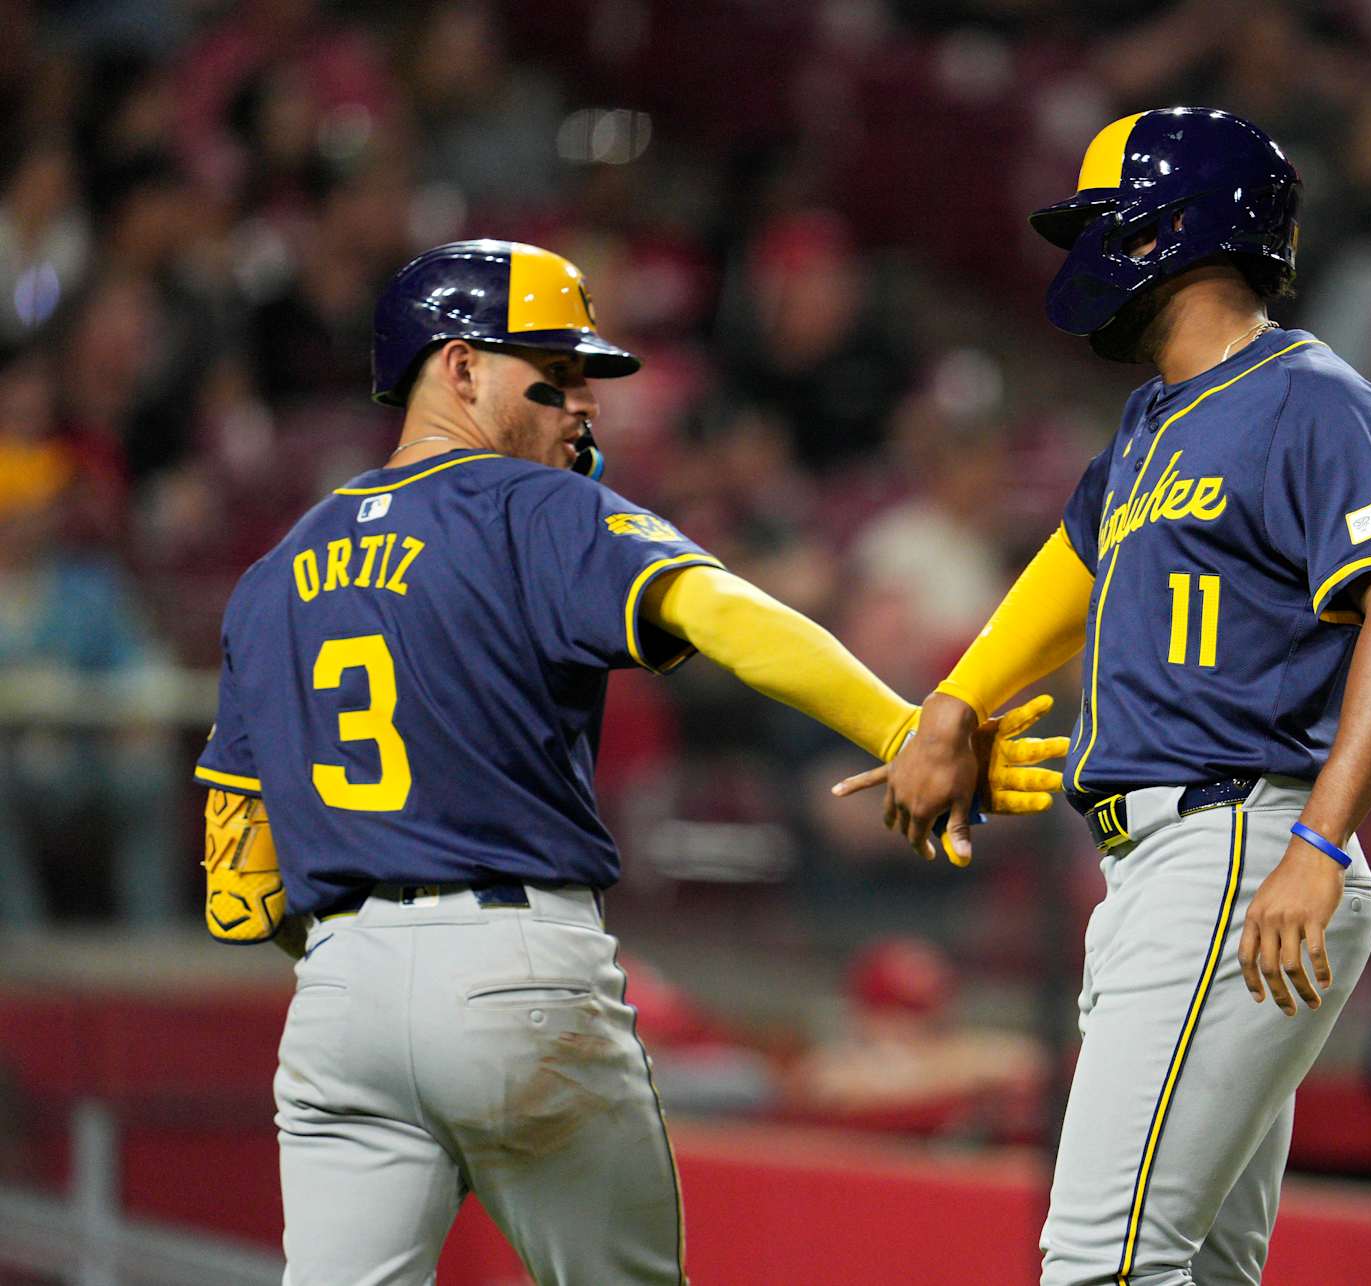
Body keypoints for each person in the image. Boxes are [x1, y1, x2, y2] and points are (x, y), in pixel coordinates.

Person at [191, 238, 1067, 1285]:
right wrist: (900, 727)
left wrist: (369, 957)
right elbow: (726, 611)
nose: (582, 405)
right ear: (459, 366)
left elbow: (238, 887)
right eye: (552, 375)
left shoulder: (275, 570)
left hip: (339, 997)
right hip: (511, 968)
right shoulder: (534, 508)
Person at [837, 108, 1371, 1284]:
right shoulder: (1148, 425)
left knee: (1102, 1260)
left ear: (1182, 229)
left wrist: (1322, 839)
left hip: (1242, 843)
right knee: (1197, 1267)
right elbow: (1067, 575)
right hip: (1177, 860)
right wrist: (952, 705)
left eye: (1107, 221)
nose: (1086, 249)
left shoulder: (1310, 394)